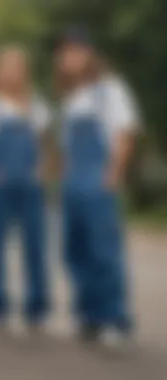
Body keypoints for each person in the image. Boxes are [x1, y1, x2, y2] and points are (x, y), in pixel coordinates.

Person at [55, 27, 139, 349]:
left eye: (75, 51)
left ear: (89, 54)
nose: (69, 57)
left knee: (104, 252)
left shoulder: (110, 89)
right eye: (64, 53)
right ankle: (88, 315)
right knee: (76, 250)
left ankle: (113, 319)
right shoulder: (70, 98)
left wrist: (113, 174)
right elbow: (65, 148)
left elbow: (124, 134)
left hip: (99, 177)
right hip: (73, 181)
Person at [0, 46, 52, 332]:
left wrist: (43, 169)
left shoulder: (36, 104)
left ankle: (37, 309)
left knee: (35, 246)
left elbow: (45, 143)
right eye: (7, 66)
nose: (12, 72)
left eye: (18, 66)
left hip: (30, 186)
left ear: (25, 72)